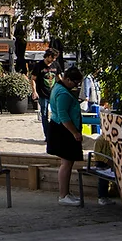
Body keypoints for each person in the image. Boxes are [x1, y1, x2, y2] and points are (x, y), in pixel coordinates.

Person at [46, 67, 85, 206]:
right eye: (75, 82)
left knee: (67, 163)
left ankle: (65, 193)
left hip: (60, 128)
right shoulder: (63, 93)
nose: (77, 86)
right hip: (63, 130)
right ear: (68, 79)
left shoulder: (58, 87)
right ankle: (63, 195)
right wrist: (75, 133)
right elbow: (63, 115)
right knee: (66, 163)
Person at [29, 49, 61, 138]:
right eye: (53, 58)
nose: (54, 60)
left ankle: (56, 134)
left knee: (57, 114)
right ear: (48, 56)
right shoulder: (39, 66)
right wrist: (34, 91)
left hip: (54, 94)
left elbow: (59, 77)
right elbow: (33, 79)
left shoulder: (56, 65)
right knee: (44, 114)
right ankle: (48, 136)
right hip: (43, 94)